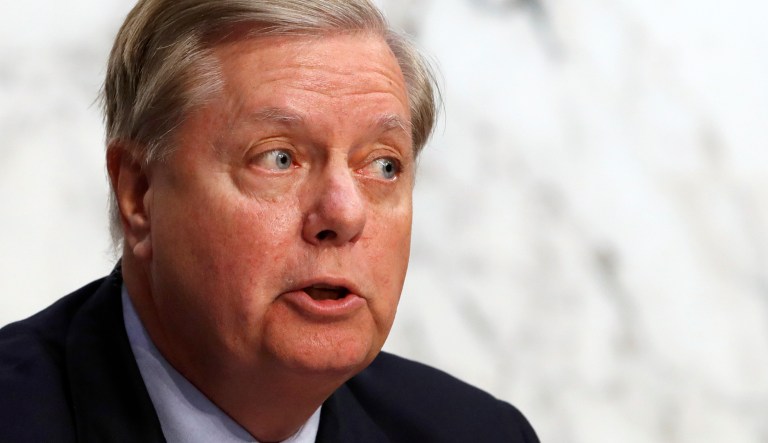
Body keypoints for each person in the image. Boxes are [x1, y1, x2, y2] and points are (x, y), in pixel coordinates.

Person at [0, 1, 539, 441]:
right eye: (279, 158)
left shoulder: (479, 434)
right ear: (139, 194)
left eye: (383, 166)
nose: (344, 213)